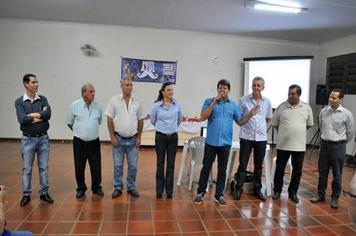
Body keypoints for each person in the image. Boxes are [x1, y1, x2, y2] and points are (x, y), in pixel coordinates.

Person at [194, 79, 258, 206]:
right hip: (211, 142)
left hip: (225, 144)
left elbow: (239, 121)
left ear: (229, 90)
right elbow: (203, 116)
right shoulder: (209, 101)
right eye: (220, 88)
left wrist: (250, 115)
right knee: (206, 168)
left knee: (222, 170)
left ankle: (219, 195)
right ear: (217, 89)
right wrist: (213, 103)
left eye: (225, 88)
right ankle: (200, 193)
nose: (222, 90)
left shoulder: (233, 105)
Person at [311, 89, 354, 209]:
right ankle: (320, 194)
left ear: (341, 99)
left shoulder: (347, 114)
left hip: (338, 147)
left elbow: (350, 133)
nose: (331, 99)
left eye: (334, 98)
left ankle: (335, 198)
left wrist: (341, 143)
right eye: (330, 97)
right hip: (324, 146)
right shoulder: (323, 112)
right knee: (322, 172)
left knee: (337, 174)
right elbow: (320, 126)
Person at [15, 74, 54, 206]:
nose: (36, 84)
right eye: (33, 82)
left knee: (43, 167)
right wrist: (39, 116)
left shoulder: (43, 99)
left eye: (37, 82)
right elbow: (22, 120)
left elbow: (47, 115)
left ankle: (44, 193)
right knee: (27, 169)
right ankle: (26, 194)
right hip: (28, 140)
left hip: (43, 138)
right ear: (26, 84)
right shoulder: (19, 101)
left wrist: (30, 115)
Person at [232, 77, 273, 201]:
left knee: (258, 166)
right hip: (246, 137)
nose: (256, 88)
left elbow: (269, 118)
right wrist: (250, 114)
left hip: (261, 138)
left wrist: (263, 130)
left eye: (258, 86)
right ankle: (238, 189)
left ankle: (257, 189)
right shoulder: (243, 100)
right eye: (254, 85)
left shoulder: (267, 102)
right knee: (243, 164)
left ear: (263, 88)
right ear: (251, 86)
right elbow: (239, 120)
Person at [271, 84, 313, 204]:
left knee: (297, 170)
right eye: (289, 93)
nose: (290, 96)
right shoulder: (281, 107)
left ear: (299, 94)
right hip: (283, 145)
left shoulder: (306, 107)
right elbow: (275, 124)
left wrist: (296, 132)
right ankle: (277, 191)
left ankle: (293, 192)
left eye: (293, 94)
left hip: (299, 146)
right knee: (280, 169)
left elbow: (309, 125)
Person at [105, 77, 145, 198]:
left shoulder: (137, 102)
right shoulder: (114, 100)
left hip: (133, 140)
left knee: (133, 166)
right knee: (118, 165)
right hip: (118, 139)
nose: (129, 87)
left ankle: (131, 187)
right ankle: (118, 187)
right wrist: (112, 136)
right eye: (127, 85)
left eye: (131, 85)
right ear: (121, 86)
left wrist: (139, 137)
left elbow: (141, 120)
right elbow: (109, 118)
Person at [66, 83, 104, 199]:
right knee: (79, 165)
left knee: (96, 166)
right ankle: (81, 188)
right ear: (84, 93)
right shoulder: (74, 106)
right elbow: (70, 122)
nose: (93, 94)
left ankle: (96, 187)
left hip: (94, 142)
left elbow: (99, 121)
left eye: (94, 92)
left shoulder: (97, 106)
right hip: (79, 143)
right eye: (91, 92)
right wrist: (80, 132)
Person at [150, 82, 182, 199]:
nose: (171, 92)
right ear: (163, 92)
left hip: (173, 137)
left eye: (172, 90)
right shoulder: (156, 106)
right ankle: (159, 190)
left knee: (171, 164)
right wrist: (163, 128)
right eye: (168, 90)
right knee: (160, 163)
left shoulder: (177, 104)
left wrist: (171, 128)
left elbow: (179, 120)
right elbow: (153, 120)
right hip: (160, 137)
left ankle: (169, 191)